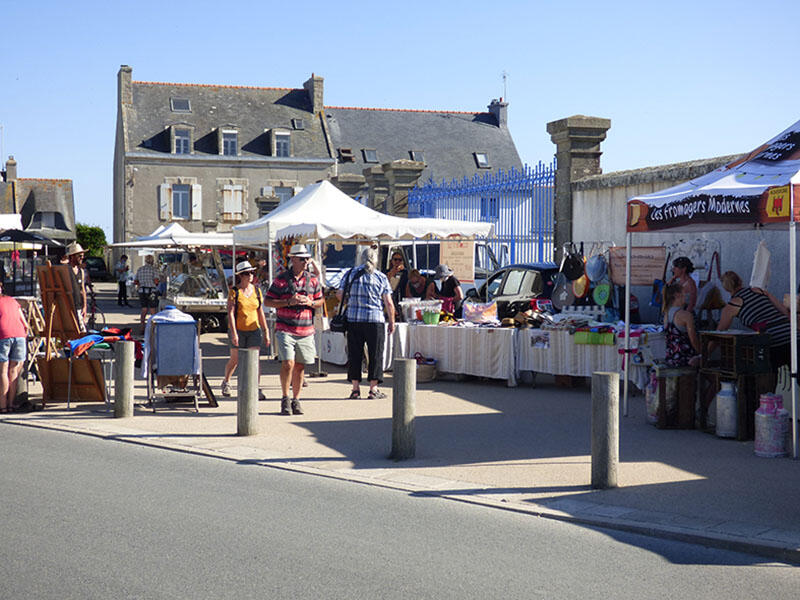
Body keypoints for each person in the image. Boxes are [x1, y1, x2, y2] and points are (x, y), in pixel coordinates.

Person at [264, 244, 324, 415]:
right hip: (285, 328)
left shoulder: (312, 280)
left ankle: (296, 399)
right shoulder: (281, 280)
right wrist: (289, 301)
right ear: (293, 260)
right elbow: (268, 302)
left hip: (306, 330)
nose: (306, 261)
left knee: (300, 366)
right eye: (302, 259)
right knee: (288, 363)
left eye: (307, 258)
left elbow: (320, 300)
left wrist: (310, 303)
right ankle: (285, 398)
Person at [338, 246, 395, 399]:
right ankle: (373, 389)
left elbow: (339, 295)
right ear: (375, 260)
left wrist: (353, 301)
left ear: (361, 259)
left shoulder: (350, 274)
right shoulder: (381, 277)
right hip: (374, 320)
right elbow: (389, 303)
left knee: (355, 354)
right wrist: (392, 321)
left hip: (353, 320)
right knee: (375, 354)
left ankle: (355, 389)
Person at [718, 271, 793, 370]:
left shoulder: (732, 306)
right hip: (791, 334)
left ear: (726, 288)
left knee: (766, 372)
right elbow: (785, 311)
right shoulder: (759, 291)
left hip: (773, 339)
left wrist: (703, 354)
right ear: (740, 281)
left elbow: (719, 333)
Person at [221, 261, 269, 398]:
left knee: (255, 360)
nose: (251, 276)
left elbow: (260, 312)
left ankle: (255, 388)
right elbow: (230, 313)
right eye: (247, 273)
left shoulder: (257, 291)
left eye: (252, 272)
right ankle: (227, 381)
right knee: (235, 358)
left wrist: (266, 332)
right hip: (238, 329)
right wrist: (234, 333)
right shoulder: (234, 292)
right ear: (241, 276)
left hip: (254, 329)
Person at [0, 280, 27, 413]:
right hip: (20, 335)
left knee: (3, 371)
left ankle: (3, 406)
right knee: (13, 371)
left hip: (3, 335)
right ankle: (11, 405)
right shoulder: (12, 300)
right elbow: (25, 324)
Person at [663, 282, 701, 367]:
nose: (686, 295)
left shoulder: (666, 313)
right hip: (685, 357)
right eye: (684, 293)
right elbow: (693, 339)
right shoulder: (686, 315)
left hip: (670, 357)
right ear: (677, 295)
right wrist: (702, 353)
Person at [135, 254, 161, 330]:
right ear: (152, 261)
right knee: (153, 309)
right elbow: (156, 280)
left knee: (144, 309)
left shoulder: (140, 269)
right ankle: (154, 328)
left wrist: (141, 283)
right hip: (151, 291)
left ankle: (142, 327)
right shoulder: (154, 269)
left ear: (145, 261)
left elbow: (136, 281)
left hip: (142, 291)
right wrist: (156, 283)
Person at [65, 242, 88, 330]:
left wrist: (85, 307)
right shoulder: (66, 270)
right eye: (79, 256)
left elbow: (83, 290)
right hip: (68, 306)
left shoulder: (81, 271)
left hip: (78, 306)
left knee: (81, 331)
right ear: (72, 256)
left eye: (82, 256)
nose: (82, 258)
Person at [384, 250, 409, 320]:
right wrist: (393, 272)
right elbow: (385, 283)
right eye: (395, 259)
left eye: (399, 260)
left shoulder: (405, 273)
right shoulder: (387, 272)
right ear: (392, 261)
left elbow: (407, 286)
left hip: (400, 298)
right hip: (389, 297)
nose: (397, 262)